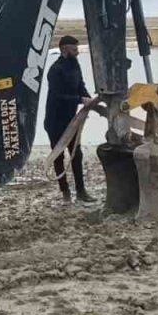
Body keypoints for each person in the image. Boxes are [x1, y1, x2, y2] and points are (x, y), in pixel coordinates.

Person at [44, 35, 93, 203]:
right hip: (55, 121)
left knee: (76, 154)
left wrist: (90, 99)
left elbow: (80, 86)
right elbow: (58, 96)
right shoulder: (55, 70)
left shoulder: (75, 65)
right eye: (74, 50)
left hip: (72, 120)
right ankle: (65, 192)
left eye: (77, 49)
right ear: (64, 50)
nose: (77, 53)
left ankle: (81, 192)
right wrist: (80, 100)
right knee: (58, 156)